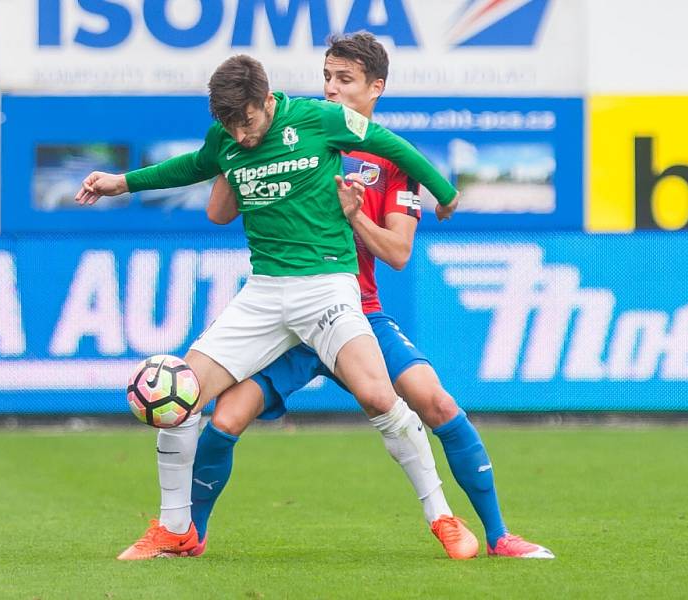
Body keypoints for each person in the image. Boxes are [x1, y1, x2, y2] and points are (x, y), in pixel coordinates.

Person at [75, 53, 461, 560]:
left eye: (247, 120)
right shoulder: (227, 137)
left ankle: (442, 517)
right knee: (180, 394)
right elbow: (190, 166)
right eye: (229, 125)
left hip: (326, 284)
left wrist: (446, 194)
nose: (240, 134)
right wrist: (121, 182)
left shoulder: (319, 119)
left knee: (378, 396)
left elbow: (394, 147)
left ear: (266, 100)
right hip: (263, 292)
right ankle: (175, 528)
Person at [188, 33, 554, 560]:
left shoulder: (387, 161)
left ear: (375, 88)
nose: (331, 89)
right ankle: (188, 537)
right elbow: (224, 202)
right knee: (223, 420)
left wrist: (355, 215)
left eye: (345, 80)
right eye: (327, 77)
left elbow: (399, 253)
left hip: (356, 314)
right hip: (289, 321)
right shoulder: (291, 132)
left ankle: (498, 535)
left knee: (437, 401)